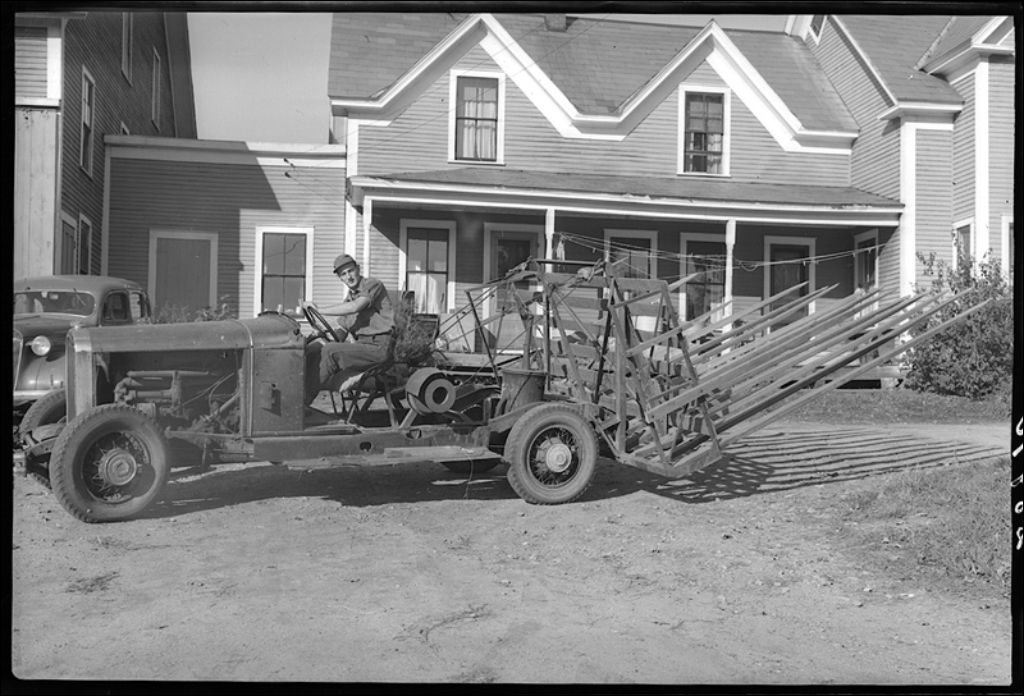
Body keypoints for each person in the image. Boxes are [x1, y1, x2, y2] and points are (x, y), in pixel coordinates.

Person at [301, 253, 395, 403]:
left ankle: (302, 403)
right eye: (343, 274)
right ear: (340, 278)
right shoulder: (350, 298)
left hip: (379, 348)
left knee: (330, 351)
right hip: (363, 347)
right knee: (314, 350)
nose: (348, 277)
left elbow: (355, 307)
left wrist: (319, 310)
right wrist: (319, 337)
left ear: (358, 269)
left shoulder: (372, 285)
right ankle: (296, 395)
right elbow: (341, 332)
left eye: (350, 271)